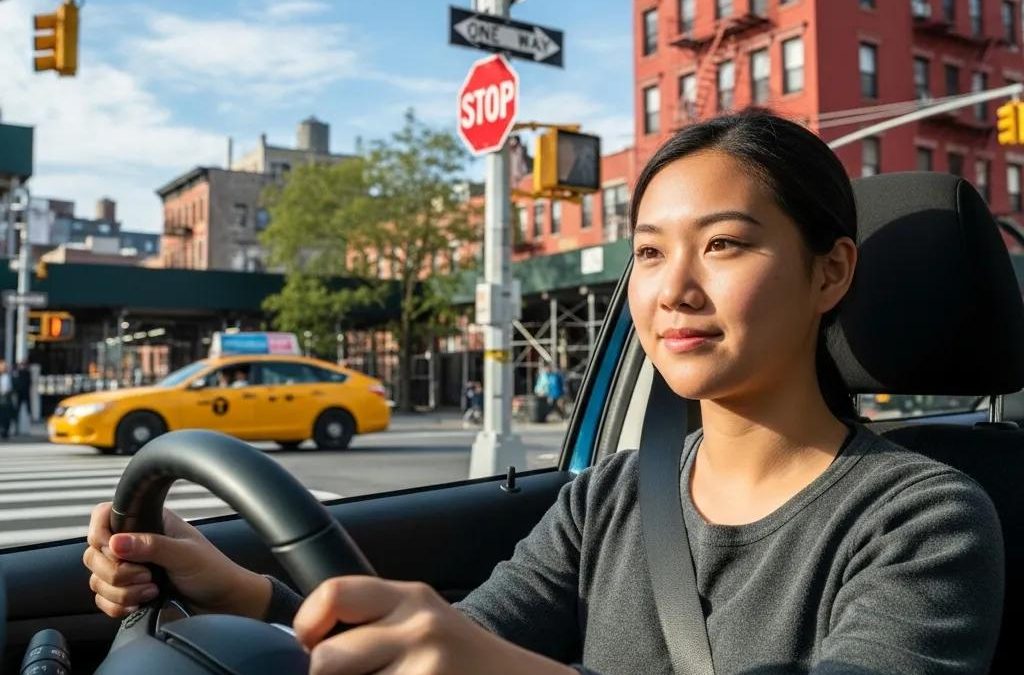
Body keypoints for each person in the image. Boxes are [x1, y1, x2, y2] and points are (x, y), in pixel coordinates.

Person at [83, 111, 1004, 673]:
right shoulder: (612, 496)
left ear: (830, 271)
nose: (672, 287)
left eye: (723, 244)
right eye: (647, 251)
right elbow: (444, 645)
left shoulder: (923, 519)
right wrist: (241, 592)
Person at [13, 361, 31, 435]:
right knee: (18, 411)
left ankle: (24, 428)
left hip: (24, 394)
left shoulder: (26, 373)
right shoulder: (18, 373)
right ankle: (17, 429)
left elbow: (29, 383)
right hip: (20, 394)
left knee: (26, 410)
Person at [0, 360, 13, 439]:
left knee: (6, 417)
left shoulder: (9, 376)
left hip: (6, 398)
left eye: (5, 366)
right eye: (2, 366)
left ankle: (5, 432)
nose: (4, 368)